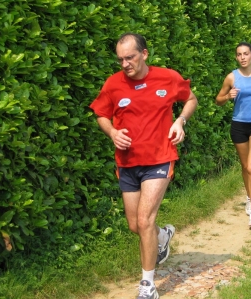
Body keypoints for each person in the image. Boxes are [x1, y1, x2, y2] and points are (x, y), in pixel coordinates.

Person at [90, 33, 198, 299]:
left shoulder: (168, 77)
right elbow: (101, 114)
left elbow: (191, 99)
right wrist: (113, 133)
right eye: (120, 59)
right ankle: (163, 236)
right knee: (135, 226)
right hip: (127, 163)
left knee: (144, 219)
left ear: (144, 54)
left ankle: (147, 285)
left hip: (160, 158)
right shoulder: (113, 84)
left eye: (130, 57)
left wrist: (180, 121)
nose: (125, 64)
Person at [215, 42, 251, 227]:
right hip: (239, 125)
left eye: (246, 54)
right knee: (245, 166)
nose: (243, 57)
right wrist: (227, 97)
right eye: (239, 54)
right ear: (236, 57)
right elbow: (218, 100)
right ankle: (249, 196)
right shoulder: (231, 77)